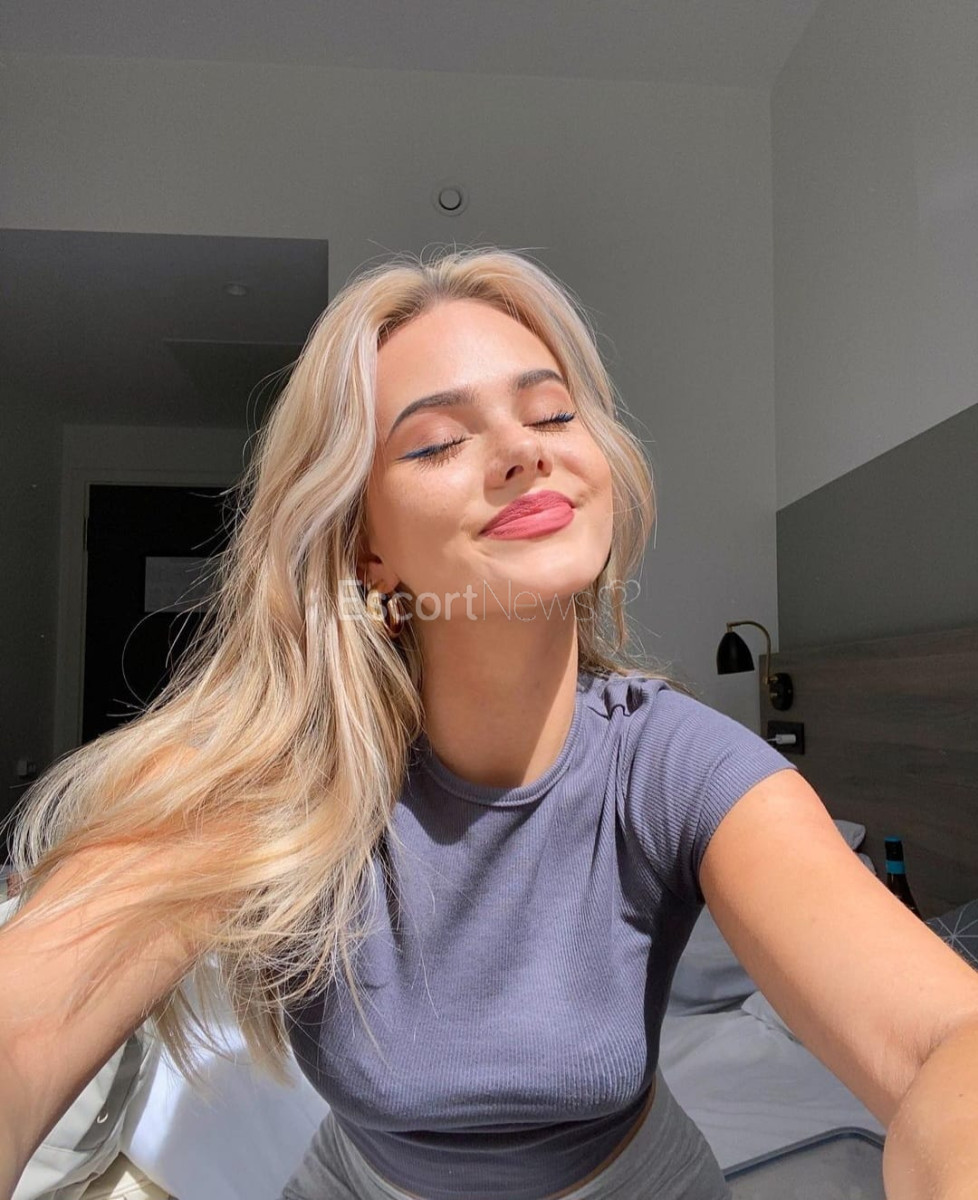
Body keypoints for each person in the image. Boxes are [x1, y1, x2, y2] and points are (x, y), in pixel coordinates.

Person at [1, 247, 977, 1200]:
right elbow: (21, 1029)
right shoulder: (266, 776)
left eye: (552, 414)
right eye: (436, 442)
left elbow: (944, 1043)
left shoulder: (675, 762)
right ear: (367, 550)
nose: (524, 451)